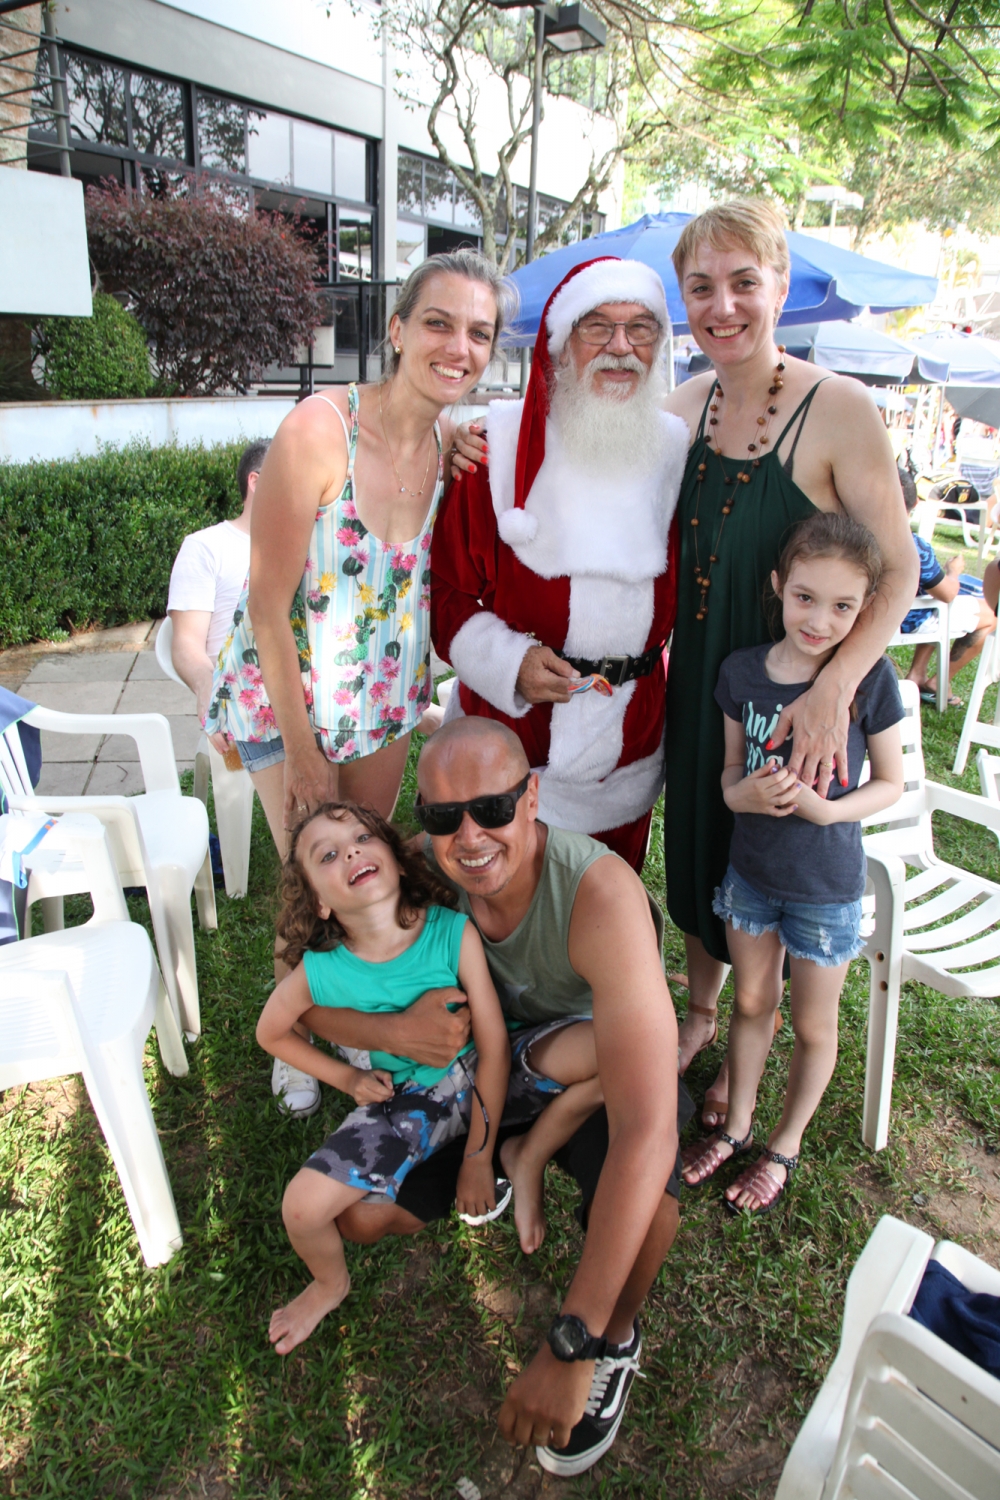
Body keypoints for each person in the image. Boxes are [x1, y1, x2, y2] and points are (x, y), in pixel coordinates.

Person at [449, 201, 917, 1130]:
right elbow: (577, 428)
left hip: (794, 688)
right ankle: (702, 1008)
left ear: (778, 287)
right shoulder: (683, 409)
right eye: (700, 287)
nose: (722, 305)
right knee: (703, 842)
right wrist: (461, 438)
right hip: (701, 679)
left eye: (744, 282)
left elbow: (897, 570)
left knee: (774, 848)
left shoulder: (840, 408)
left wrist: (834, 690)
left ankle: (754, 1032)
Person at [301, 717, 687, 1478]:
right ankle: (509, 1156)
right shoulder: (417, 872)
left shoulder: (598, 893)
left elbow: (649, 1129)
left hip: (583, 1068)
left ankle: (614, 1339)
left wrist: (573, 1339)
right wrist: (398, 1031)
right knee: (360, 1216)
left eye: (493, 808)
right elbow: (303, 996)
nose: (470, 836)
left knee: (652, 1204)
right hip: (474, 1076)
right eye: (444, 816)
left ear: (532, 797)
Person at [206, 250, 512, 1118]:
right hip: (287, 699)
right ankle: (299, 1039)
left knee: (365, 874)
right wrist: (303, 754)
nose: (458, 346)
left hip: (382, 702)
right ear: (398, 330)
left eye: (479, 333)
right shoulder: (318, 431)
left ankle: (354, 1018)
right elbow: (265, 606)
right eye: (439, 323)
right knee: (311, 877)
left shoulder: (449, 449)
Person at [431, 257, 689, 873]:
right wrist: (510, 662)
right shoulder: (492, 452)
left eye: (640, 328)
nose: (620, 347)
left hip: (629, 750)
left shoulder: (679, 454)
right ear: (561, 343)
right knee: (502, 909)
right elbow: (444, 596)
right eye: (597, 327)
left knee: (609, 898)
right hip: (510, 744)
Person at [682, 514, 904, 1211]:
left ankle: (785, 1145)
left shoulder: (870, 681)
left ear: (865, 610)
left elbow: (891, 783)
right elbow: (728, 774)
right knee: (751, 1003)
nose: (819, 620)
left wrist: (827, 811)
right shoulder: (741, 672)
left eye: (842, 607)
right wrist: (740, 795)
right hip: (751, 879)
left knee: (812, 1025)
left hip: (826, 888)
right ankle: (739, 1126)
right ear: (778, 585)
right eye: (805, 597)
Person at [256, 800, 509, 1356]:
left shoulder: (452, 933)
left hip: (490, 1085)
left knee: (577, 1057)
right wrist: (346, 1079)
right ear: (319, 902)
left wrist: (479, 1158)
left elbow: (495, 1049)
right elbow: (270, 1031)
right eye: (327, 855)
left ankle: (514, 1158)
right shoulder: (321, 970)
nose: (350, 851)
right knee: (302, 1207)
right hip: (406, 1104)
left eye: (362, 838)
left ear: (395, 857)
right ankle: (330, 1285)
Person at [167, 440, 266, 749]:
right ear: (255, 482)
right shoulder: (206, 547)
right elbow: (186, 642)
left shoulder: (310, 546)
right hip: (244, 702)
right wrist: (207, 688)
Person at [898, 469, 996, 707]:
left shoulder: (854, 535)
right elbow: (948, 593)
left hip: (873, 614)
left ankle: (918, 673)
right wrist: (953, 572)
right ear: (916, 503)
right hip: (905, 620)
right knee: (991, 615)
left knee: (937, 599)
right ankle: (940, 681)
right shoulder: (915, 546)